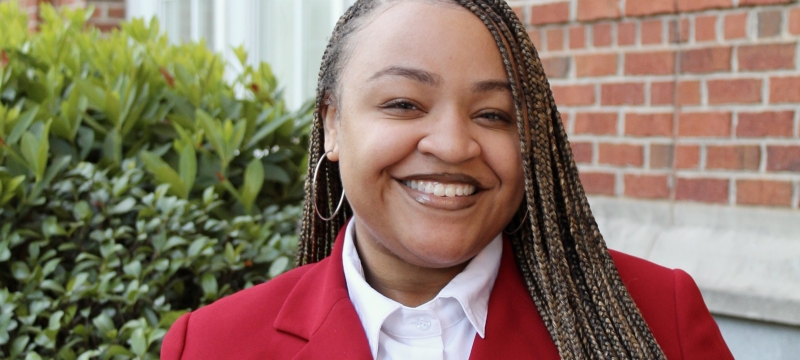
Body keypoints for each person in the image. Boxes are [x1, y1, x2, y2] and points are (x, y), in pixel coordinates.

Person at [161, 0, 734, 359]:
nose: (455, 145)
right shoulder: (212, 345)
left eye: (493, 115)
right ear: (333, 125)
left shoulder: (658, 320)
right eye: (405, 103)